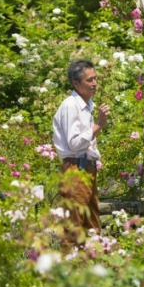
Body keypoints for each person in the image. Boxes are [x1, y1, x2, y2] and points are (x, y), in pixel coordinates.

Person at [53, 59, 110, 241]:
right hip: (76, 169)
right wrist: (98, 126)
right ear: (76, 83)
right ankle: (70, 266)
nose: (94, 84)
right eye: (89, 80)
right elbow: (74, 144)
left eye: (95, 79)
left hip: (87, 168)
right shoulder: (71, 105)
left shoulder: (87, 105)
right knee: (74, 229)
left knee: (92, 226)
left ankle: (93, 265)